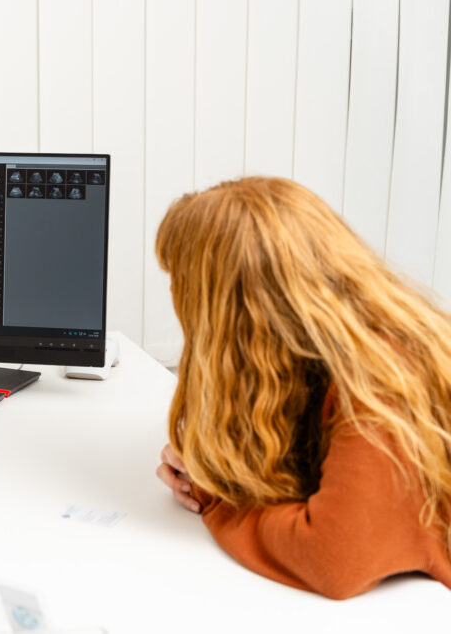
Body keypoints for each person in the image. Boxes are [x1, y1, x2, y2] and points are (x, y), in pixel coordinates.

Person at [154, 176, 451, 599]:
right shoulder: (306, 357)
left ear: (233, 313)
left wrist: (221, 499)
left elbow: (335, 559)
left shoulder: (380, 379)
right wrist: (207, 466)